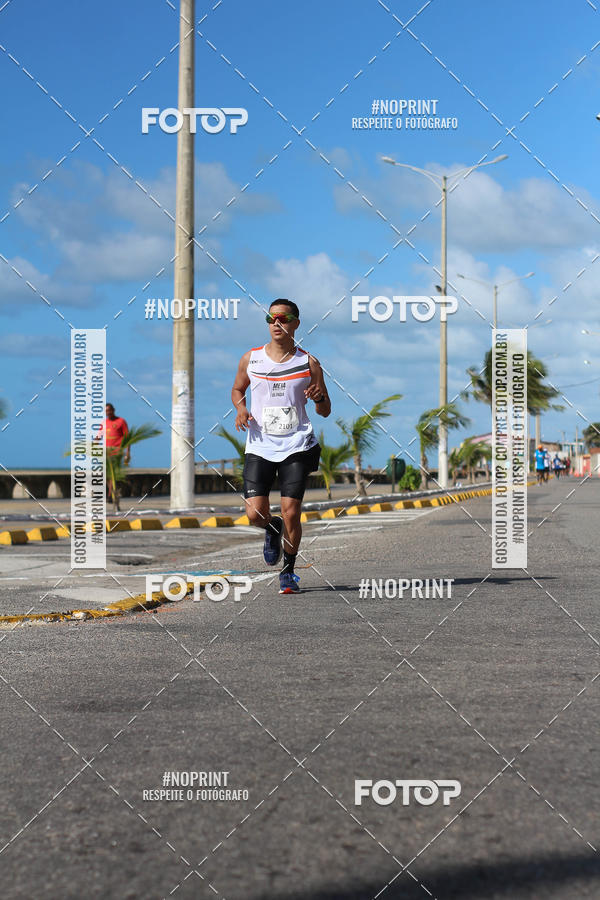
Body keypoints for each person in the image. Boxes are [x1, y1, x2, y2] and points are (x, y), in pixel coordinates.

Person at [232, 299, 331, 594]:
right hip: (260, 445)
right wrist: (240, 408)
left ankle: (288, 572)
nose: (276, 323)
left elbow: (325, 410)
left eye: (283, 318)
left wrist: (318, 398)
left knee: (291, 512)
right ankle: (270, 527)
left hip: (296, 444)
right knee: (254, 514)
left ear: (296, 323)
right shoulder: (251, 359)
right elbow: (238, 389)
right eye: (271, 318)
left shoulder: (309, 363)